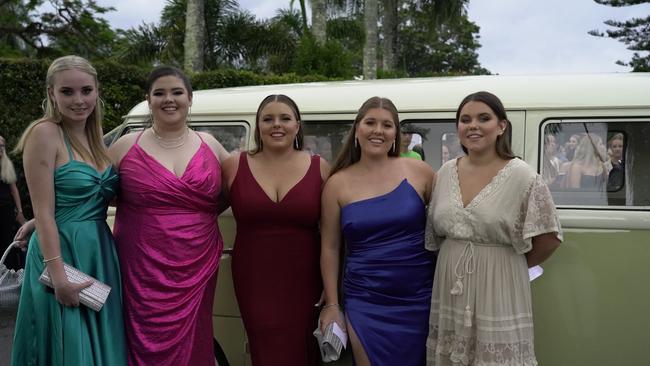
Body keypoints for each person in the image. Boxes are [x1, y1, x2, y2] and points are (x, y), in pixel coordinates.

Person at [425, 91, 562, 366]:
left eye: (483, 118)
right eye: (465, 120)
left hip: (501, 283)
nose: (473, 125)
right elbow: (435, 236)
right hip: (451, 285)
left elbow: (549, 237)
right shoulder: (444, 173)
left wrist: (507, 266)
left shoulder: (522, 175)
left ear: (501, 126)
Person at [108, 66, 229, 365]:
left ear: (189, 98)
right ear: (148, 100)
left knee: (196, 338)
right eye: (159, 93)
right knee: (140, 338)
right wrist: (41, 220)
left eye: (176, 92)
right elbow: (89, 197)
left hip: (198, 264)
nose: (168, 99)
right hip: (140, 267)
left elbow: (243, 188)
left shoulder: (210, 144)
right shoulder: (124, 146)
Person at [11, 55, 127, 365]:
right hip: (59, 254)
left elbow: (85, 198)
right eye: (67, 92)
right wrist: (59, 277)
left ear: (97, 91)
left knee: (101, 345)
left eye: (86, 90)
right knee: (70, 346)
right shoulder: (45, 133)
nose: (79, 100)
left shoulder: (97, 141)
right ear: (51, 93)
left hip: (99, 251)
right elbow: (46, 211)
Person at [320, 97, 436, 366]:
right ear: (357, 128)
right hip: (365, 301)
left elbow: (448, 219)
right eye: (370, 122)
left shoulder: (420, 172)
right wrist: (333, 305)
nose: (378, 131)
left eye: (387, 125)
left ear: (396, 133)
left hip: (419, 298)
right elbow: (330, 247)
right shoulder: (337, 184)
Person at [221, 94, 329, 366]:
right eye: (267, 119)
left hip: (305, 278)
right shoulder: (234, 166)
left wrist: (331, 287)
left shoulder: (320, 167)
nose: (276, 125)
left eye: (285, 118)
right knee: (264, 345)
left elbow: (331, 235)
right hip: (254, 278)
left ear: (297, 125)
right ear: (258, 126)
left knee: (303, 346)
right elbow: (201, 211)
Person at [0, 135, 25, 270]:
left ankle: (10, 271)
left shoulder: (7, 165)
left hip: (6, 209)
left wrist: (20, 211)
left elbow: (14, 190)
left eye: (2, 145)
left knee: (8, 239)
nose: (0, 148)